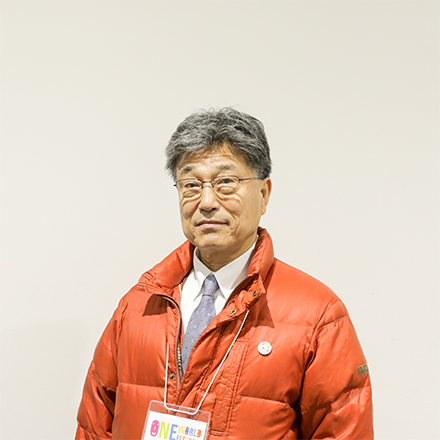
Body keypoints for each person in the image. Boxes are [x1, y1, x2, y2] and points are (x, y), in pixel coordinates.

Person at [76, 108, 373, 440]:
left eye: (225, 182)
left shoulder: (317, 314)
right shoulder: (139, 304)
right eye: (191, 184)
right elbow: (93, 426)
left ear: (264, 194)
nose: (206, 202)